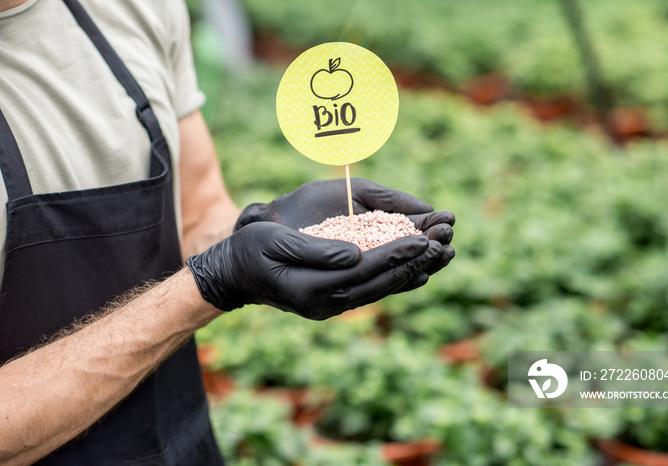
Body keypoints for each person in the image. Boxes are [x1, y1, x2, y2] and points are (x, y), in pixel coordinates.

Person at [0, 0, 455, 464]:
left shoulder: (139, 8)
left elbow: (197, 210)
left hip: (180, 440)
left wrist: (257, 228)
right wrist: (212, 282)